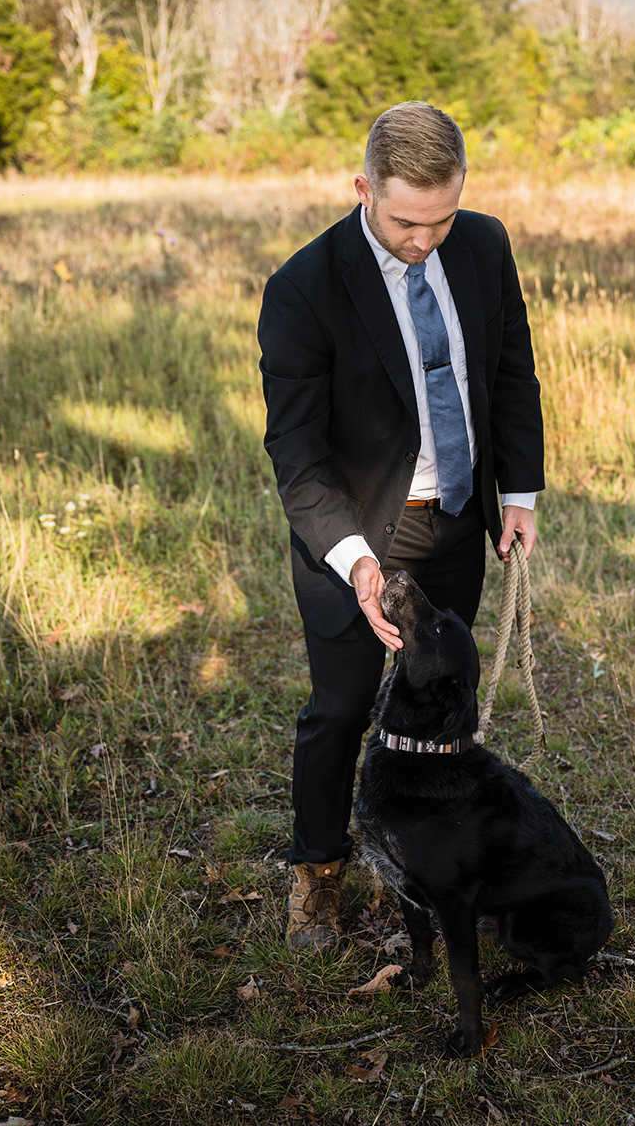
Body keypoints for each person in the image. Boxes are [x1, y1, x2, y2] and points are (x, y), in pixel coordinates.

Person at [258, 100, 544, 951]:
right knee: (343, 711)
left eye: (443, 217)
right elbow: (297, 454)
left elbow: (510, 371)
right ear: (363, 188)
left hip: (457, 519)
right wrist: (353, 563)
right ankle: (317, 874)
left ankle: (422, 875)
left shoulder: (484, 245)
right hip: (356, 535)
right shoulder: (303, 287)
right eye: (406, 221)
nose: (426, 240)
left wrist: (517, 492)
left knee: (436, 711)